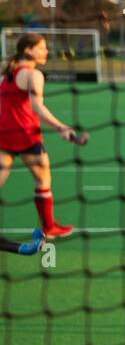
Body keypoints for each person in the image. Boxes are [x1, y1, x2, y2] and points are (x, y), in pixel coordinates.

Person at [0, 33, 87, 238]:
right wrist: (61, 128)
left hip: (4, 135)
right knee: (43, 181)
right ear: (28, 50)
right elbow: (37, 107)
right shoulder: (33, 75)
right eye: (41, 47)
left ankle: (49, 227)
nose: (46, 51)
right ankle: (49, 228)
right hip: (27, 137)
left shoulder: (5, 74)